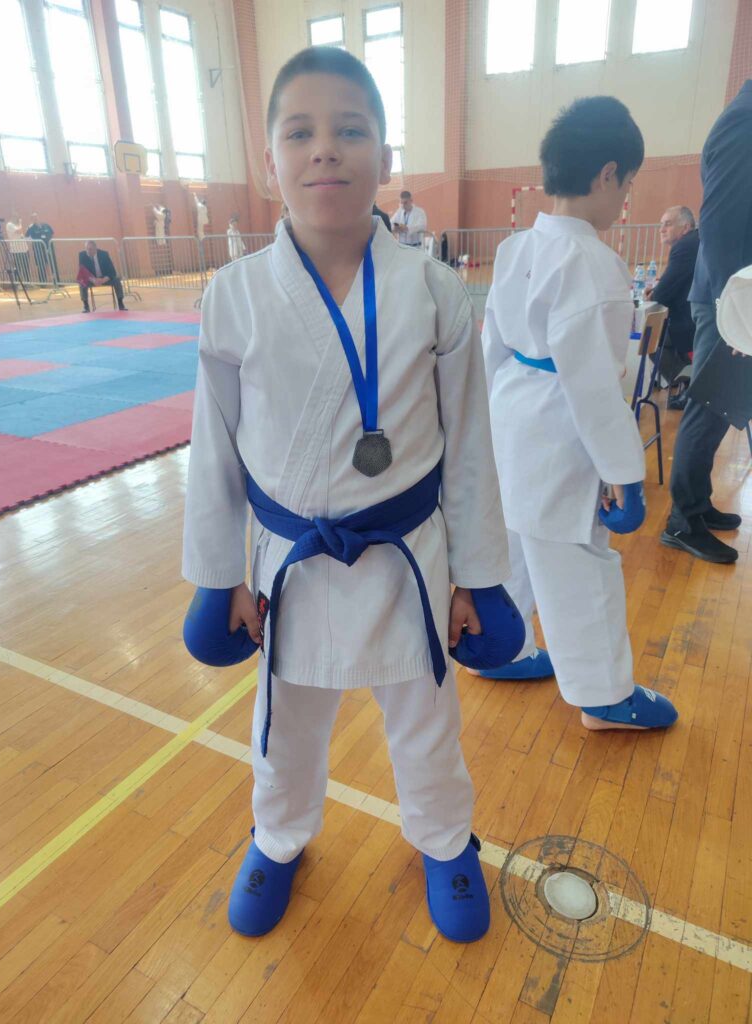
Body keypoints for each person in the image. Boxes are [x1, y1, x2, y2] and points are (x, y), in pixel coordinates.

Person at [182, 46, 511, 944]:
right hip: (290, 562)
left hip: (408, 556)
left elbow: (470, 449)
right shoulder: (234, 297)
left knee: (426, 716)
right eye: (300, 132)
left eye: (350, 130)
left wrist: (479, 577)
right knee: (284, 725)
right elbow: (214, 453)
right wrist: (219, 576)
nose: (325, 148)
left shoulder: (433, 291)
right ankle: (277, 837)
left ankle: (444, 839)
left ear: (385, 158)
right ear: (270, 164)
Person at [477, 97, 678, 733]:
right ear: (607, 174)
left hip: (510, 413)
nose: (624, 201)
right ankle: (604, 697)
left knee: (512, 544)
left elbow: (491, 349)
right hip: (560, 430)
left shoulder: (516, 248)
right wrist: (624, 473)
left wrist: (481, 430)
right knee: (577, 562)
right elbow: (594, 388)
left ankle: (499, 648)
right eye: (628, 184)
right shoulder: (594, 263)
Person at [661, 79, 752, 564]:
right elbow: (720, 225)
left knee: (722, 405)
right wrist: (735, 312)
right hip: (727, 298)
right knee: (709, 405)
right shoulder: (744, 121)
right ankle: (683, 520)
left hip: (730, 295)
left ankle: (697, 502)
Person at [645, 206, 699, 399]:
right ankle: (688, 383)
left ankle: (690, 384)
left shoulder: (684, 247)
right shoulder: (693, 242)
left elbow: (662, 294)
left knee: (650, 340)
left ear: (685, 227)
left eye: (667, 224)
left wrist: (653, 294)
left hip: (690, 322)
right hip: (698, 317)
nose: (661, 229)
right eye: (661, 224)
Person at [77, 241, 127, 311]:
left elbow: (112, 271)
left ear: (95, 248)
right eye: (86, 249)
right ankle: (86, 306)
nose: (88, 251)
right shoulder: (82, 255)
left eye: (90, 249)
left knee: (116, 280)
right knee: (81, 282)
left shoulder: (104, 254)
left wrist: (103, 280)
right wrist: (93, 280)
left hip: (104, 278)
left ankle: (121, 303)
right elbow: (83, 272)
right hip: (91, 279)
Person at [25, 212, 55, 284]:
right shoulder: (31, 228)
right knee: (41, 265)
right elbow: (27, 237)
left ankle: (53, 280)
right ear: (31, 220)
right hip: (38, 250)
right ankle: (43, 282)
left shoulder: (46, 225)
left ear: (39, 217)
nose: (35, 218)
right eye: (33, 218)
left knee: (50, 263)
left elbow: (52, 233)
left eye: (36, 217)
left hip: (48, 248)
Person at [5, 215, 30, 283]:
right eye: (16, 217)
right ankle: (18, 283)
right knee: (18, 268)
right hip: (16, 250)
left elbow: (21, 235)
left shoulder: (17, 225)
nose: (18, 219)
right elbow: (19, 231)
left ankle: (27, 283)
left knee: (26, 267)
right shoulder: (9, 225)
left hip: (24, 250)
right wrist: (20, 223)